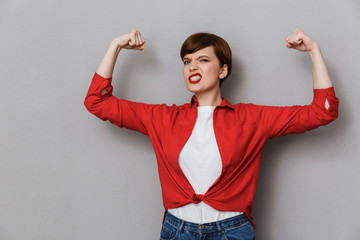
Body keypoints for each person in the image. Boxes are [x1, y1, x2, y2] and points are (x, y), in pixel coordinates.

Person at [84, 28, 339, 240]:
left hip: (232, 231)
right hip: (177, 231)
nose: (192, 66)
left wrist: (314, 51)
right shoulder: (161, 118)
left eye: (203, 60)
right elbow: (96, 101)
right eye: (187, 61)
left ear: (223, 70)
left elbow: (323, 112)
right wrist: (115, 45)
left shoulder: (252, 118)